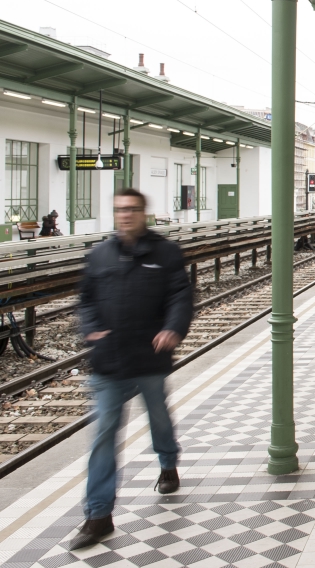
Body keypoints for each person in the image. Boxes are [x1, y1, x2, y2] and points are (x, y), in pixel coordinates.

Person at [71, 188, 192, 550]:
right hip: (108, 361)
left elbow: (180, 296)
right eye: (119, 210)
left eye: (132, 210)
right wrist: (90, 327)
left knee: (158, 416)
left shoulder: (165, 253)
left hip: (149, 358)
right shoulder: (100, 255)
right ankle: (98, 515)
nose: (125, 216)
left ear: (144, 213)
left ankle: (168, 462)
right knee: (104, 435)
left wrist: (173, 327)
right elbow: (86, 299)